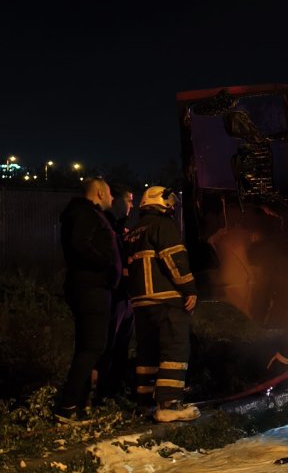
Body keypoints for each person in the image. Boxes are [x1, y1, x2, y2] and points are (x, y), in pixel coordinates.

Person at [124, 186, 201, 422]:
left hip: (140, 303)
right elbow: (175, 259)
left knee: (147, 352)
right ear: (159, 202)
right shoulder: (163, 226)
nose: (172, 206)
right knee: (175, 348)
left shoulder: (134, 231)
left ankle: (144, 403)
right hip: (166, 300)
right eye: (169, 201)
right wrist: (190, 289)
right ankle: (169, 404)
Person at [54, 177, 122, 422]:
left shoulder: (86, 214)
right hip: (90, 289)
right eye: (111, 194)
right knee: (92, 346)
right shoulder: (84, 214)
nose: (114, 199)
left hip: (92, 288)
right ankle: (67, 407)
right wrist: (106, 262)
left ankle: (76, 406)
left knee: (89, 347)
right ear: (101, 193)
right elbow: (79, 245)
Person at [94, 184, 135, 405]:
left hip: (125, 295)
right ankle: (104, 391)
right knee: (110, 342)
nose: (132, 205)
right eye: (129, 200)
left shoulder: (120, 227)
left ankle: (114, 389)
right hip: (115, 295)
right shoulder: (107, 224)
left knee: (122, 343)